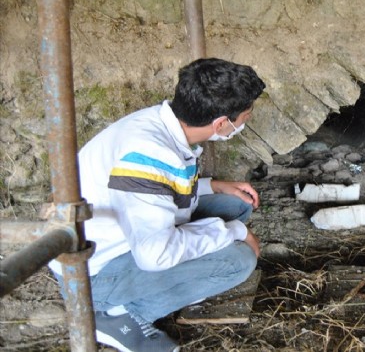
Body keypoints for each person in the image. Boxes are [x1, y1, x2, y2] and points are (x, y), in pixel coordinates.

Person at [49, 58, 266, 352]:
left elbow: (155, 193)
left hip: (123, 236)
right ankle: (115, 315)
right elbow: (155, 255)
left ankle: (155, 291)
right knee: (238, 261)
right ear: (221, 123)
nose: (246, 121)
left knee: (235, 205)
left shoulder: (161, 122)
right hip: (92, 276)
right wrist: (234, 233)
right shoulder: (148, 154)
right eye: (245, 117)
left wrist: (212, 186)